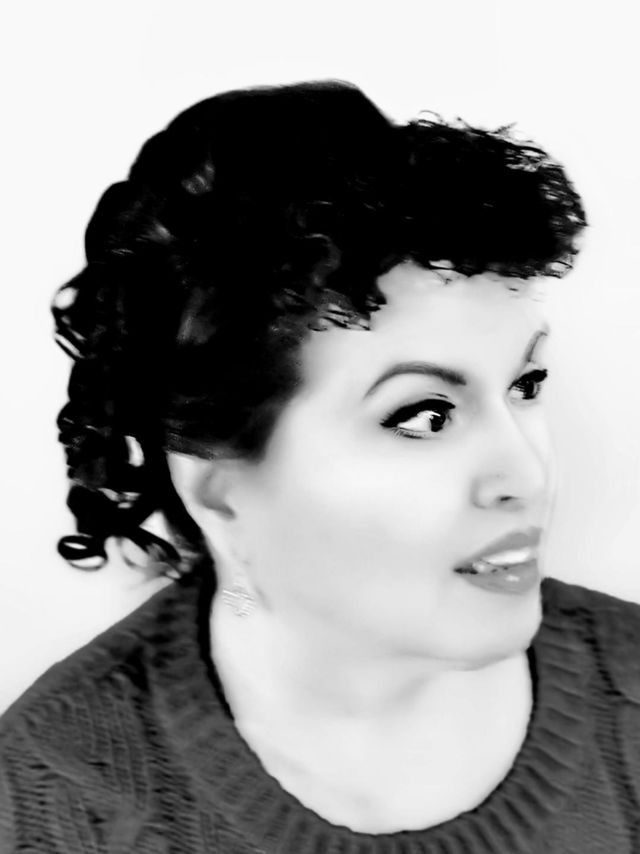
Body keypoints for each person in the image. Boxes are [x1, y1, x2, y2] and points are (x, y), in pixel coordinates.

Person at [1, 79, 638, 853]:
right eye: (425, 416)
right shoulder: (50, 803)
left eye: (525, 386)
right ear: (221, 492)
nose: (527, 476)